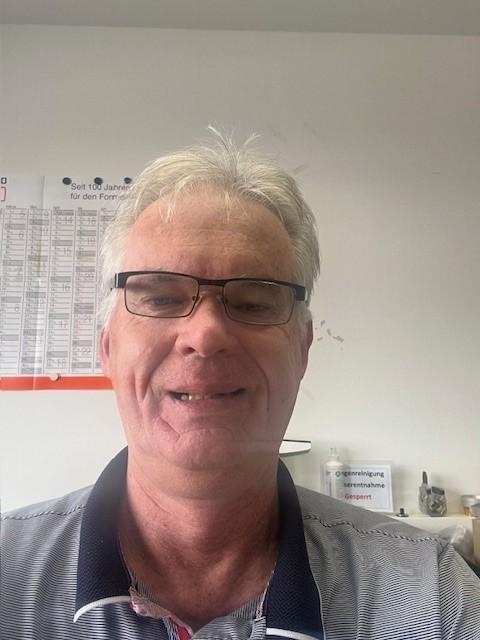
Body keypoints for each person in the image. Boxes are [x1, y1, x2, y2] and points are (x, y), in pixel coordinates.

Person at [2, 134, 479, 640]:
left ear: (302, 349)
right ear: (108, 349)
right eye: (161, 298)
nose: (205, 335)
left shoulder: (435, 598)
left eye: (254, 302)